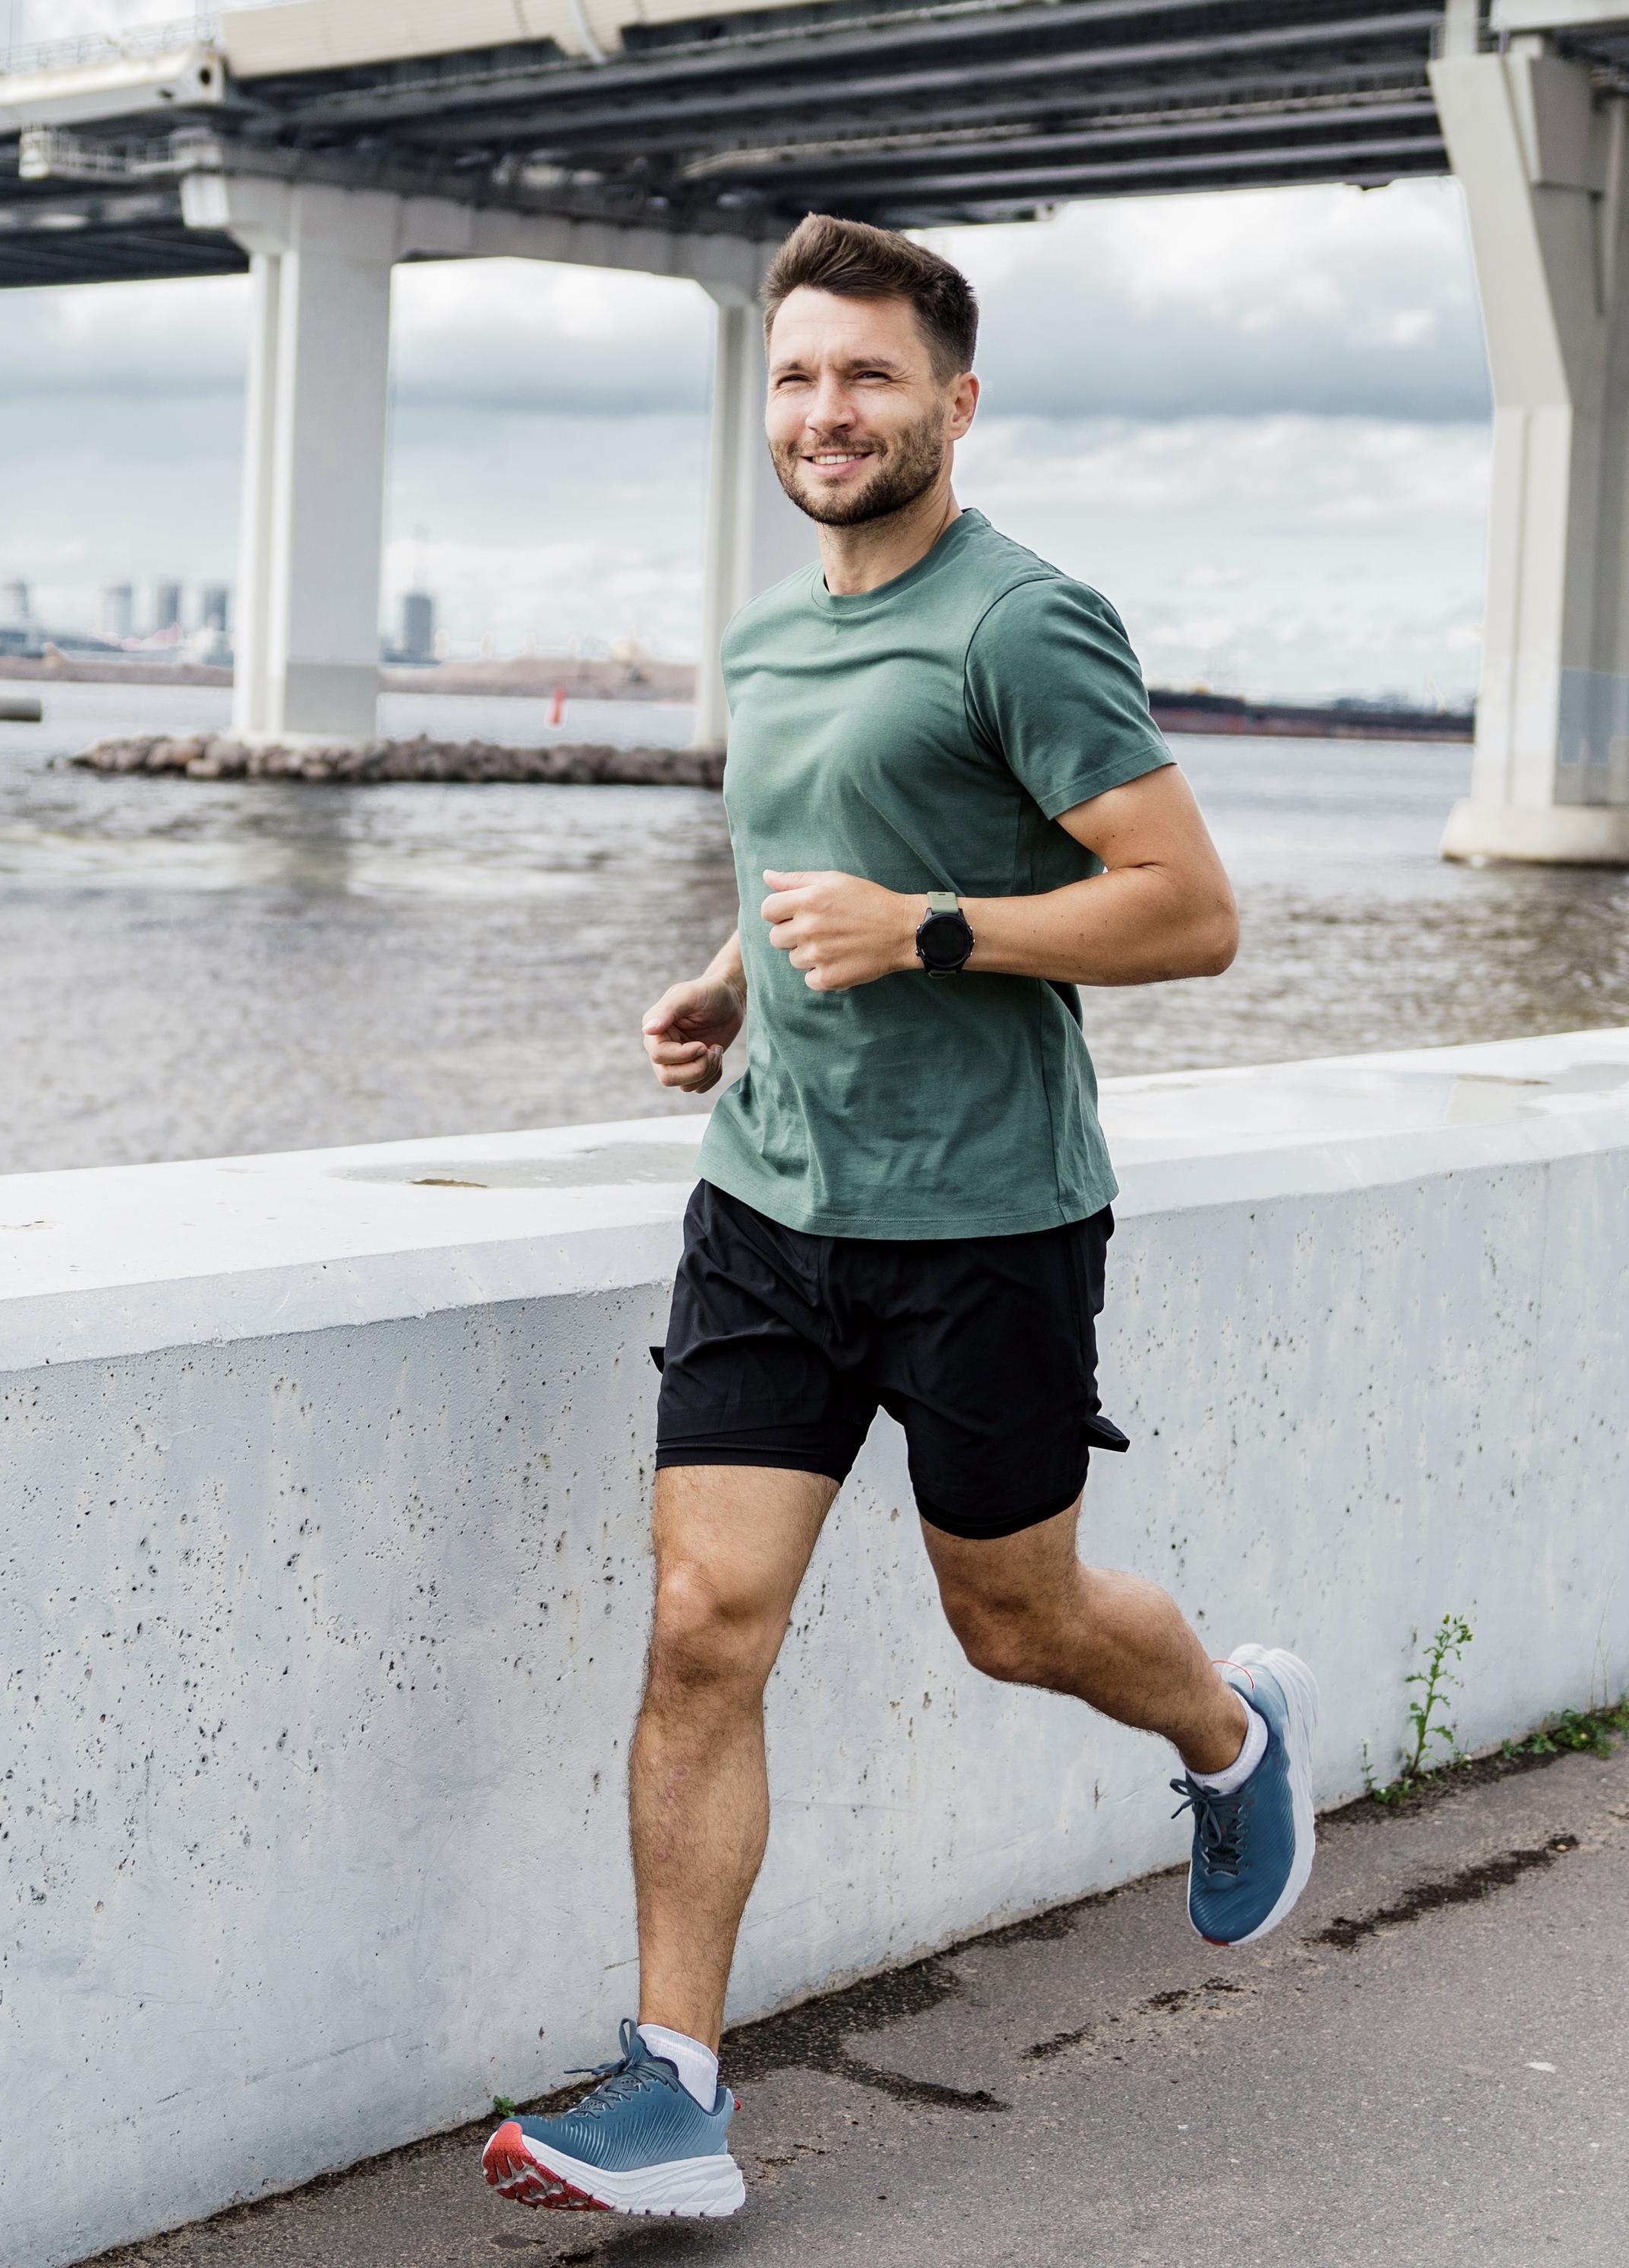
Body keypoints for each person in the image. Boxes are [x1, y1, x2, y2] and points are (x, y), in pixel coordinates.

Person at [481, 214, 1316, 2223]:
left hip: (987, 1226)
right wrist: (737, 978)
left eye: (864, 377)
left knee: (1012, 1618)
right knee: (703, 1631)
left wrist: (934, 932)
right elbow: (814, 864)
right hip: (770, 1203)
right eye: (792, 377)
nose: (823, 412)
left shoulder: (1023, 624)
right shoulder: (770, 635)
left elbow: (1190, 910)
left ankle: (1228, 1728)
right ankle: (673, 2094)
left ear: (953, 401)